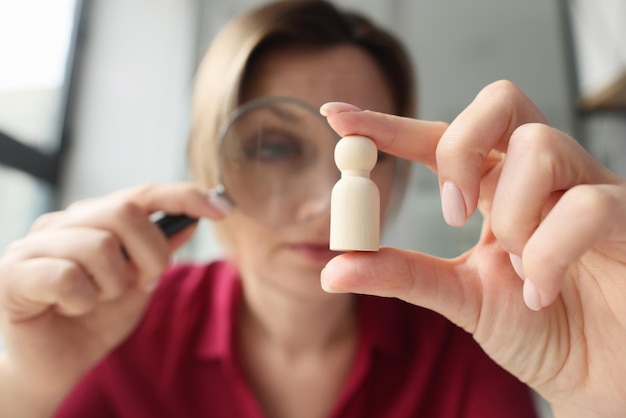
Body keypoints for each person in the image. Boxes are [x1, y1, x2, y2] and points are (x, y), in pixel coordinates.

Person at [0, 2, 624, 418]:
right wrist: (24, 385)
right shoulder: (116, 325)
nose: (325, 201)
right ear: (208, 167)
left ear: (401, 177)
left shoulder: (474, 341)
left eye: (366, 153)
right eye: (274, 148)